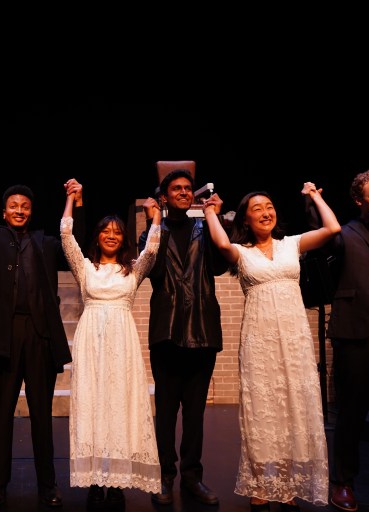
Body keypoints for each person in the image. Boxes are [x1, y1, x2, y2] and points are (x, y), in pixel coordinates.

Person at [203, 183, 339, 510]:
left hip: (293, 340)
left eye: (269, 206)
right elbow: (221, 242)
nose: (265, 212)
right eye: (257, 209)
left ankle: (288, 484)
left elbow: (332, 228)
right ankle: (261, 483)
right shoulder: (242, 251)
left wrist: (315, 195)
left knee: (293, 407)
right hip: (259, 338)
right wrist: (210, 210)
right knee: (262, 411)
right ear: (247, 220)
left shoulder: (291, 244)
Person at [0, 166, 86, 508]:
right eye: (14, 206)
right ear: (4, 212)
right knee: (1, 414)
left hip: (39, 335)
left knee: (42, 415)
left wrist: (74, 201)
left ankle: (48, 485)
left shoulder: (44, 243)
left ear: (31, 212)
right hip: (3, 336)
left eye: (25, 206)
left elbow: (73, 242)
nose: (19, 210)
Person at [61, 178, 163, 509]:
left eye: (118, 231)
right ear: (98, 236)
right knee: (92, 405)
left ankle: (117, 483)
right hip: (91, 341)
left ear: (123, 239)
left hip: (122, 342)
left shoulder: (132, 270)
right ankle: (93, 480)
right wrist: (71, 199)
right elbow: (66, 237)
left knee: (120, 407)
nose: (111, 235)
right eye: (106, 230)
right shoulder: (85, 268)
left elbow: (152, 249)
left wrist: (155, 218)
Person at [138, 169, 228, 506]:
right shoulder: (153, 230)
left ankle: (193, 477)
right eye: (176, 188)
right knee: (165, 409)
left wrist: (215, 218)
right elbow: (153, 269)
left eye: (188, 188)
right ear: (163, 196)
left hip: (202, 330)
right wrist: (154, 223)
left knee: (194, 412)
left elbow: (219, 267)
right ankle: (165, 475)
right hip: (166, 331)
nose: (183, 192)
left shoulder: (206, 228)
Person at [318, 169, 369, 512]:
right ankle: (343, 483)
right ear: (359, 200)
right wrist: (313, 202)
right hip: (358, 335)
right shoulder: (344, 234)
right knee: (351, 415)